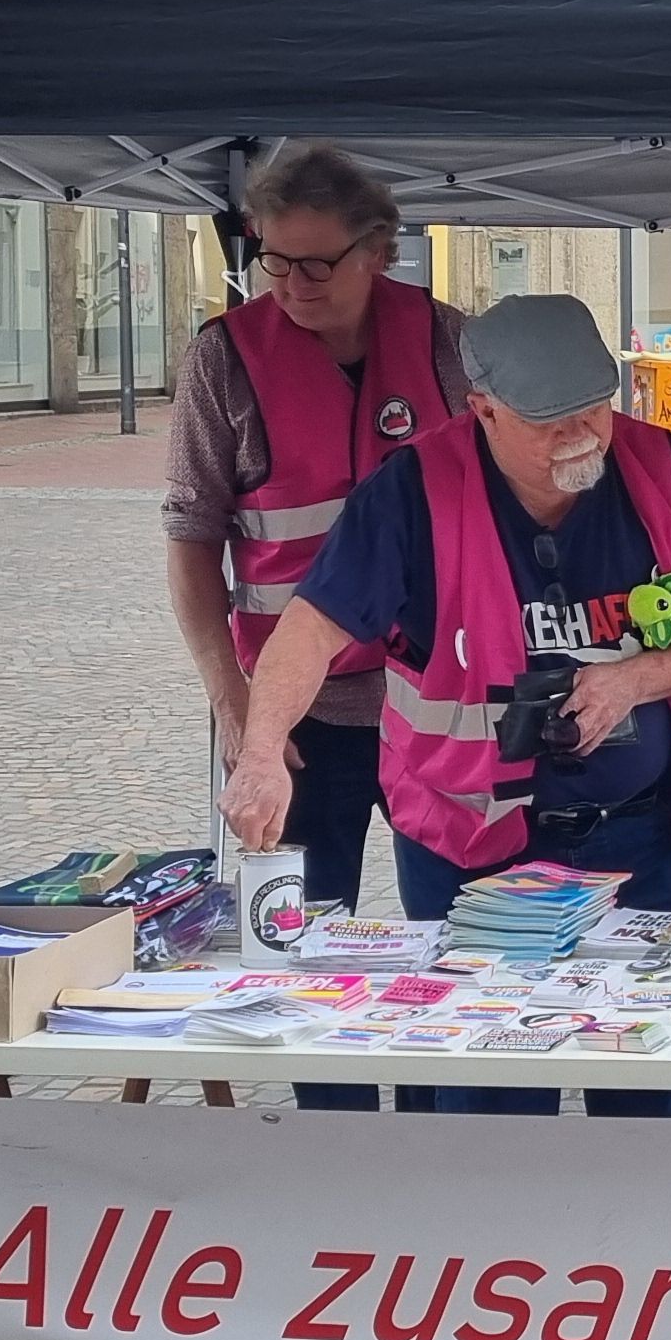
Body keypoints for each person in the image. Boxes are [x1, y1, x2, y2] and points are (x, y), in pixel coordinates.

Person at [223, 295, 671, 1118]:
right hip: (473, 855)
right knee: (489, 1106)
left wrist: (636, 679)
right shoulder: (411, 493)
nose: (581, 434)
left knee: (653, 1102)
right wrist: (263, 752)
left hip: (644, 842)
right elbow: (307, 631)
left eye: (594, 407)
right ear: (481, 410)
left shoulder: (665, 471)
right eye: (550, 422)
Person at [163, 142, 469, 945]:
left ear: (379, 251)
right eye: (276, 261)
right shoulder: (223, 360)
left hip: (435, 697)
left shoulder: (451, 345)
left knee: (456, 934)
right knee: (299, 935)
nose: (294, 283)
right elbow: (192, 542)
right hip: (298, 712)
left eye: (318, 265)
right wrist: (236, 708)